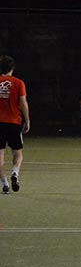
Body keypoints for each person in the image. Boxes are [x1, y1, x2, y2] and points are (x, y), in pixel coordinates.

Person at [0, 55, 30, 194]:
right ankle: (15, 173)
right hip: (14, 122)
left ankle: (4, 184)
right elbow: (23, 103)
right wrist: (27, 120)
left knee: (0, 155)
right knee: (18, 153)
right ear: (12, 68)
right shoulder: (18, 83)